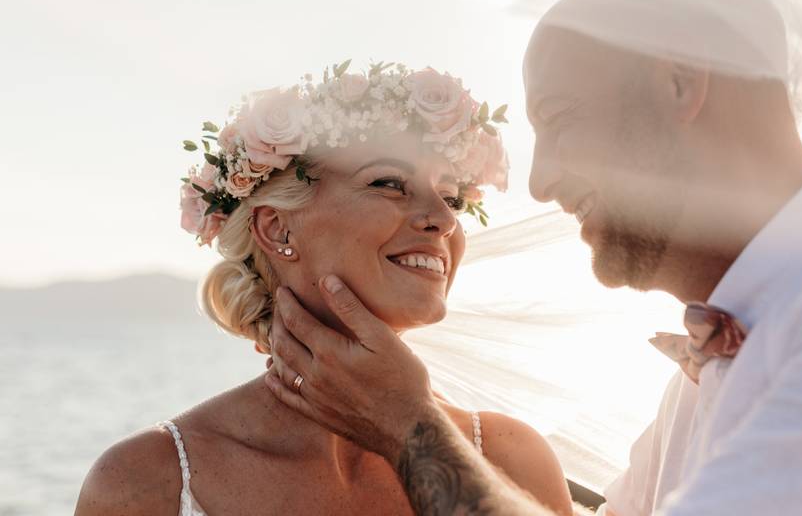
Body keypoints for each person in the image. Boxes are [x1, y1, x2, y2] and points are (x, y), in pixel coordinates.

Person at [266, 0, 802, 515]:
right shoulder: (696, 382)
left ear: (682, 85)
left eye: (561, 121)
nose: (541, 182)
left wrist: (409, 427)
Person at [75, 63, 573, 515]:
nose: (444, 220)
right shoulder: (145, 480)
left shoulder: (511, 457)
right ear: (276, 229)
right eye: (389, 183)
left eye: (449, 196)